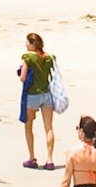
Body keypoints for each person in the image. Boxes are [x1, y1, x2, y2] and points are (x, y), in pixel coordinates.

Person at [16, 32, 62, 168]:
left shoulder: (28, 57)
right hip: (47, 94)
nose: (25, 45)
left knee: (28, 126)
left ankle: (32, 157)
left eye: (27, 42)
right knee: (48, 127)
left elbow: (22, 77)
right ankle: (49, 159)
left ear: (32, 44)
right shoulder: (49, 57)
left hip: (32, 95)